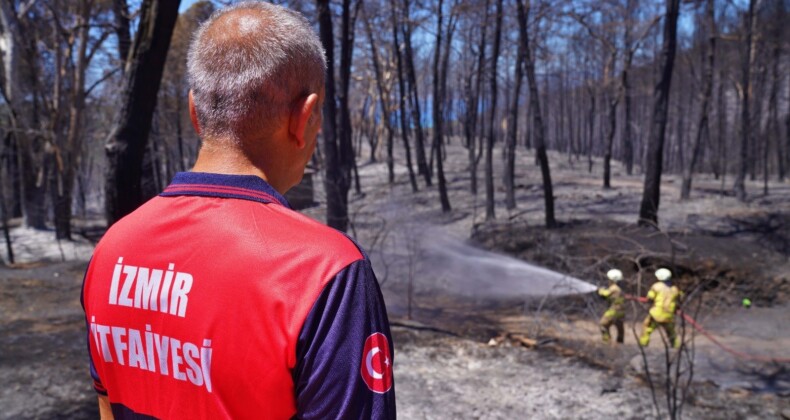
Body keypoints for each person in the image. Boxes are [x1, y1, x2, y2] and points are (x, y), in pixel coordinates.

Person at [81, 3, 395, 418]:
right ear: (304, 118)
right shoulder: (327, 271)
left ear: (195, 112)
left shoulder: (111, 250)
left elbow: (108, 406)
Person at [639, 268, 682, 348]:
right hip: (669, 315)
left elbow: (650, 298)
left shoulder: (656, 286)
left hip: (656, 314)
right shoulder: (675, 289)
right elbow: (679, 301)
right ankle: (676, 347)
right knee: (671, 332)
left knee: (646, 328)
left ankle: (643, 345)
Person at [598, 269, 625, 344]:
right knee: (620, 329)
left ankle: (607, 341)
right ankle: (620, 343)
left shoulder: (614, 288)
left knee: (603, 325)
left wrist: (600, 290)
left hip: (613, 311)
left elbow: (605, 294)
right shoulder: (619, 289)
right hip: (621, 312)